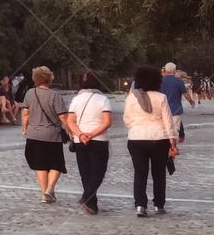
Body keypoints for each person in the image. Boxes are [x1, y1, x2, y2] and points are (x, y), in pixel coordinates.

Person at [124, 65, 178, 217]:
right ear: (157, 81)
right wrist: (173, 142)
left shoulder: (131, 97)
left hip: (136, 138)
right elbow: (168, 121)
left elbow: (127, 120)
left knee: (140, 173)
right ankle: (158, 205)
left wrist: (136, 126)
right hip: (159, 139)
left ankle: (140, 205)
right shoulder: (161, 98)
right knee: (159, 173)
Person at [65, 71, 113, 214]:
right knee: (99, 171)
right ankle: (87, 197)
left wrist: (80, 134)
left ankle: (92, 203)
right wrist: (91, 134)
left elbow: (70, 121)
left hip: (80, 140)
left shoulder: (76, 99)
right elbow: (107, 121)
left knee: (85, 172)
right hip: (98, 139)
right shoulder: (102, 99)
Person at [21, 65, 68, 204]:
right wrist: (70, 131)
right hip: (52, 136)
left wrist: (25, 129)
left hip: (34, 134)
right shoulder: (55, 96)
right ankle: (50, 189)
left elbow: (25, 113)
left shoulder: (30, 93)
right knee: (56, 164)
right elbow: (63, 117)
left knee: (40, 165)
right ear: (49, 79)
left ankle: (44, 193)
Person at [160, 62, 194, 144]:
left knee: (163, 129)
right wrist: (191, 101)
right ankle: (172, 147)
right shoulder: (179, 82)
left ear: (165, 70)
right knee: (174, 130)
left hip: (161, 109)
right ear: (174, 70)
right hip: (176, 109)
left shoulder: (159, 81)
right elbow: (186, 95)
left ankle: (165, 147)